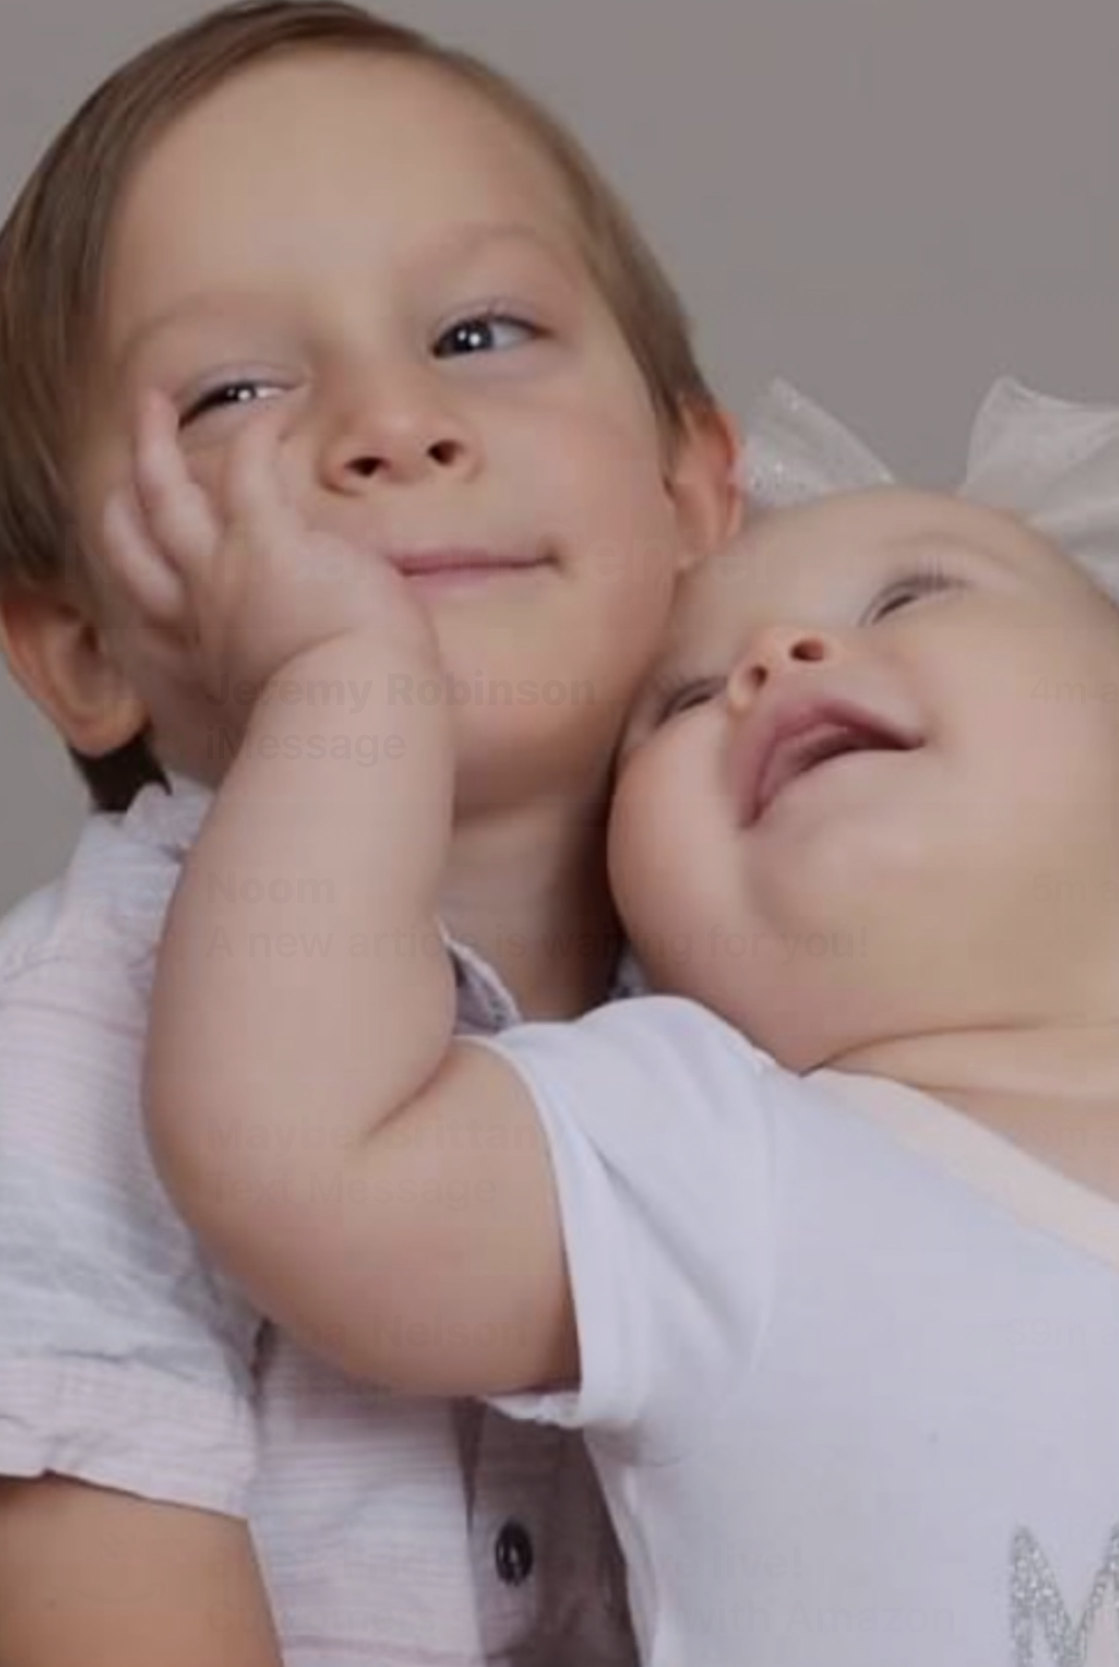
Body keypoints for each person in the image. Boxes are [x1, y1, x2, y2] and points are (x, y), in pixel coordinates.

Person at [120, 374, 1119, 1666]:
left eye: (908, 598)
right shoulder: (710, 1149)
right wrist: (343, 686)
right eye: (684, 703)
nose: (773, 659)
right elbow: (298, 1150)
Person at [0, 3, 739, 1662]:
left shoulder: (810, 953)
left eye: (478, 332)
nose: (391, 424)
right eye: (234, 391)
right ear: (85, 645)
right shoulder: (60, 1066)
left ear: (693, 491)